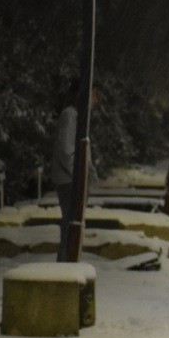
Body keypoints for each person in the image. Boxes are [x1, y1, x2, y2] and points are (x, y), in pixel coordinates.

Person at [49, 79, 99, 261]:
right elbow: (65, 149)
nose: (96, 100)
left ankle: (68, 264)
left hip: (73, 179)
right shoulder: (70, 115)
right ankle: (64, 266)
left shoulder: (78, 117)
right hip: (69, 181)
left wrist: (90, 175)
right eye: (94, 94)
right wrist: (79, 175)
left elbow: (81, 154)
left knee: (73, 228)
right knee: (70, 229)